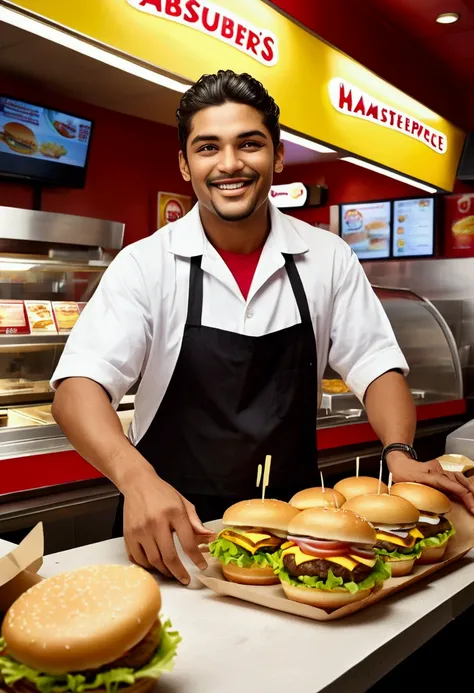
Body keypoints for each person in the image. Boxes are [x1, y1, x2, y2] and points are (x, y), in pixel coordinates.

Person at [51, 69, 474, 585]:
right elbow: (77, 390)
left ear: (276, 156)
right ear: (185, 166)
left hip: (300, 531)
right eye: (208, 148)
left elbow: (374, 364)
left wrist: (400, 452)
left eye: (248, 144)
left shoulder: (327, 257)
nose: (229, 164)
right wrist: (136, 480)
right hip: (172, 528)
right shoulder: (146, 264)